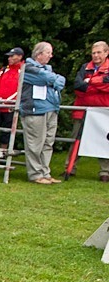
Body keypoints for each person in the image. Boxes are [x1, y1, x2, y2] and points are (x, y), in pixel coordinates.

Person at [20, 41, 65, 185]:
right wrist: (54, 79)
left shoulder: (47, 69)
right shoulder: (28, 68)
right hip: (35, 111)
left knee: (48, 143)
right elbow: (47, 78)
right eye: (48, 53)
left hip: (51, 109)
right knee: (35, 144)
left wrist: (54, 80)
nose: (51, 56)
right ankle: (35, 174)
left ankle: (45, 173)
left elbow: (61, 80)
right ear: (39, 54)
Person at [68, 41, 109, 182]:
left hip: (103, 112)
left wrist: (90, 82)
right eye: (94, 52)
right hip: (82, 110)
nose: (96, 55)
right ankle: (70, 168)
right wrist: (100, 84)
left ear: (106, 53)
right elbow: (78, 87)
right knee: (76, 139)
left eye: (99, 52)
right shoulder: (85, 67)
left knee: (104, 141)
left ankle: (105, 172)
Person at [0, 47, 24, 148]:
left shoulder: (23, 71)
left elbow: (21, 89)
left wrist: (8, 101)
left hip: (10, 107)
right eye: (9, 56)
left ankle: (3, 154)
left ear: (20, 57)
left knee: (7, 130)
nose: (9, 58)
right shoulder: (4, 70)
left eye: (12, 56)